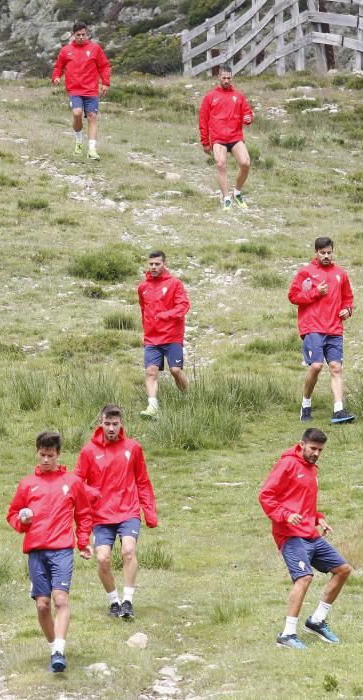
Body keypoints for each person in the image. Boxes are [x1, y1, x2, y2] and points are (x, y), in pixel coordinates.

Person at [7, 431, 92, 673]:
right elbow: (12, 514)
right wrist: (22, 521)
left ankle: (59, 651)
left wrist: (83, 541)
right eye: (42, 455)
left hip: (62, 550)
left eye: (50, 455)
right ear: (37, 452)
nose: (45, 460)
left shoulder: (72, 482)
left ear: (58, 455)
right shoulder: (27, 484)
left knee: (60, 599)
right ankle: (53, 646)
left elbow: (84, 514)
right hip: (36, 551)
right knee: (43, 605)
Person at [259, 428, 352, 649]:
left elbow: (303, 499)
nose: (317, 453)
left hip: (310, 532)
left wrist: (318, 517)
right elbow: (265, 495)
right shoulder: (287, 465)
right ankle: (287, 634)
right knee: (304, 578)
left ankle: (317, 621)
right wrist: (285, 515)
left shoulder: (312, 469)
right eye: (313, 448)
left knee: (343, 570)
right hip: (289, 535)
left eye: (320, 450)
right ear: (301, 444)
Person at [75, 404, 158, 619]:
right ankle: (114, 602)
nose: (111, 428)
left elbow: (143, 481)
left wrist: (149, 512)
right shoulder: (88, 451)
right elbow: (76, 483)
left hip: (128, 511)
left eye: (115, 424)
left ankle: (128, 601)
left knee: (128, 550)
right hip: (100, 516)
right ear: (100, 423)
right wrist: (90, 491)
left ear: (121, 424)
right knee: (102, 559)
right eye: (107, 424)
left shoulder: (133, 448)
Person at [288, 237, 355, 424]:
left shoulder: (341, 274)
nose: (326, 256)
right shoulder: (305, 273)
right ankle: (306, 405)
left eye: (329, 252)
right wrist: (316, 292)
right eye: (322, 253)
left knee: (336, 367)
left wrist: (347, 310)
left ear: (332, 252)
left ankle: (338, 410)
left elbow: (348, 298)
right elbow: (293, 296)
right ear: (316, 253)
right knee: (316, 366)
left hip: (335, 328)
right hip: (313, 327)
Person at [137, 250, 190, 418]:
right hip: (152, 338)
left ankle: (187, 398)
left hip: (172, 336)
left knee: (175, 370)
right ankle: (152, 407)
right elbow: (143, 310)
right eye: (151, 264)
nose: (153, 267)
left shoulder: (175, 284)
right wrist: (145, 332)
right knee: (151, 372)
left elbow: (183, 306)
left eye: (157, 264)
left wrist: (164, 316)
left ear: (164, 265)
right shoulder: (143, 287)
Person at [51, 20, 111, 159]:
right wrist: (56, 77)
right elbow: (58, 67)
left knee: (92, 117)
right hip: (74, 90)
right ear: (73, 35)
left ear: (87, 34)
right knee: (77, 113)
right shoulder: (66, 51)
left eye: (84, 34)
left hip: (91, 91)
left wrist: (106, 83)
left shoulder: (95, 49)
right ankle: (79, 141)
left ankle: (92, 150)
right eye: (78, 35)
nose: (82, 37)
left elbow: (104, 66)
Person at [198, 64, 254, 210]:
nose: (227, 80)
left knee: (245, 163)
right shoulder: (210, 96)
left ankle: (237, 192)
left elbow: (247, 113)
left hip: (235, 136)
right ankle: (226, 198)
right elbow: (203, 120)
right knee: (221, 163)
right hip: (218, 138)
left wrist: (248, 118)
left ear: (232, 77)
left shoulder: (239, 95)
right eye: (224, 78)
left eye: (229, 78)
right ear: (219, 77)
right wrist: (205, 141)